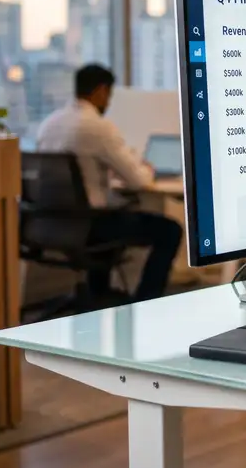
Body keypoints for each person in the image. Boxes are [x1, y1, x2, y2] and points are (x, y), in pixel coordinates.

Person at [36, 64, 182, 301]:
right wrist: (146, 170)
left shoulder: (49, 124)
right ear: (101, 91)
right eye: (109, 95)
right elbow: (138, 181)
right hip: (89, 227)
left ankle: (99, 293)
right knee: (170, 231)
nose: (109, 102)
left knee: (113, 213)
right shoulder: (98, 127)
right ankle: (145, 301)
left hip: (51, 224)